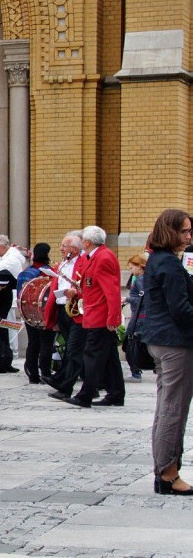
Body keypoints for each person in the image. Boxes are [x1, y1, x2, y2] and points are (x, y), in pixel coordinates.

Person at [139, 209, 193, 495]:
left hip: (162, 341)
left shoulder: (159, 260)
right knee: (174, 409)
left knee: (166, 408)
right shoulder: (169, 265)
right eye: (184, 231)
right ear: (170, 231)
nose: (188, 237)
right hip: (175, 343)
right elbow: (181, 310)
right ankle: (168, 474)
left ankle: (165, 471)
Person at [63, 226, 125, 408]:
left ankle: (85, 395)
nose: (81, 243)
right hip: (95, 313)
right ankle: (116, 393)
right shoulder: (95, 256)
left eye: (82, 240)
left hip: (100, 316)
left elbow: (111, 291)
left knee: (92, 356)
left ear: (88, 242)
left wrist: (113, 317)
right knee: (110, 357)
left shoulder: (103, 257)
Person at [43, 233, 89, 401]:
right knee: (73, 349)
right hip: (63, 308)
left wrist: (76, 292)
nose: (61, 249)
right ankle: (89, 386)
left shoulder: (83, 262)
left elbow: (86, 285)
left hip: (76, 309)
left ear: (74, 249)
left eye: (64, 246)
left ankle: (65, 385)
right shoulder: (63, 264)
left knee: (73, 349)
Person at [17, 243, 55, 384]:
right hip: (46, 312)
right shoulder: (50, 272)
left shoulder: (26, 273)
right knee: (46, 343)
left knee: (33, 343)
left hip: (29, 312)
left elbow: (21, 295)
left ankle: (32, 374)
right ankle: (45, 373)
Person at [123, 253, 148, 382]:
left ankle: (136, 372)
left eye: (132, 267)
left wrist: (127, 299)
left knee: (131, 345)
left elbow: (142, 299)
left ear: (139, 267)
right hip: (138, 315)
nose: (131, 270)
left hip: (139, 317)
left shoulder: (140, 280)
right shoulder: (140, 279)